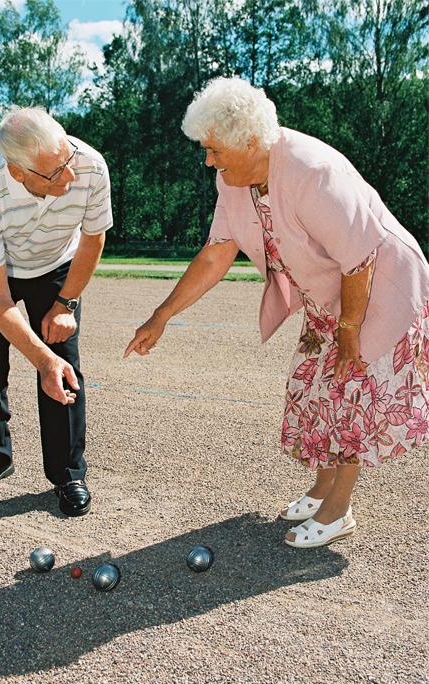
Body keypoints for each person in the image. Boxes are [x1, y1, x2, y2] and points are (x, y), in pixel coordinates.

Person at [124, 76, 428, 548]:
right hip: (331, 294)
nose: (208, 160)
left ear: (248, 140)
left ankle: (337, 511)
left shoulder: (313, 170)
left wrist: (350, 332)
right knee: (313, 388)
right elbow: (216, 253)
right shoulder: (233, 178)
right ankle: (322, 487)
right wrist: (161, 315)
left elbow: (359, 257)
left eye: (214, 149)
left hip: (378, 286)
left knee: (347, 390)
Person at [0, 107, 112, 516]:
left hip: (56, 265)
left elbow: (93, 239)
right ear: (17, 172)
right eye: (53, 173)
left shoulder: (90, 167)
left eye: (67, 160)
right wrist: (39, 358)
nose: (69, 177)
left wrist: (66, 303)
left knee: (63, 360)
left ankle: (68, 473)